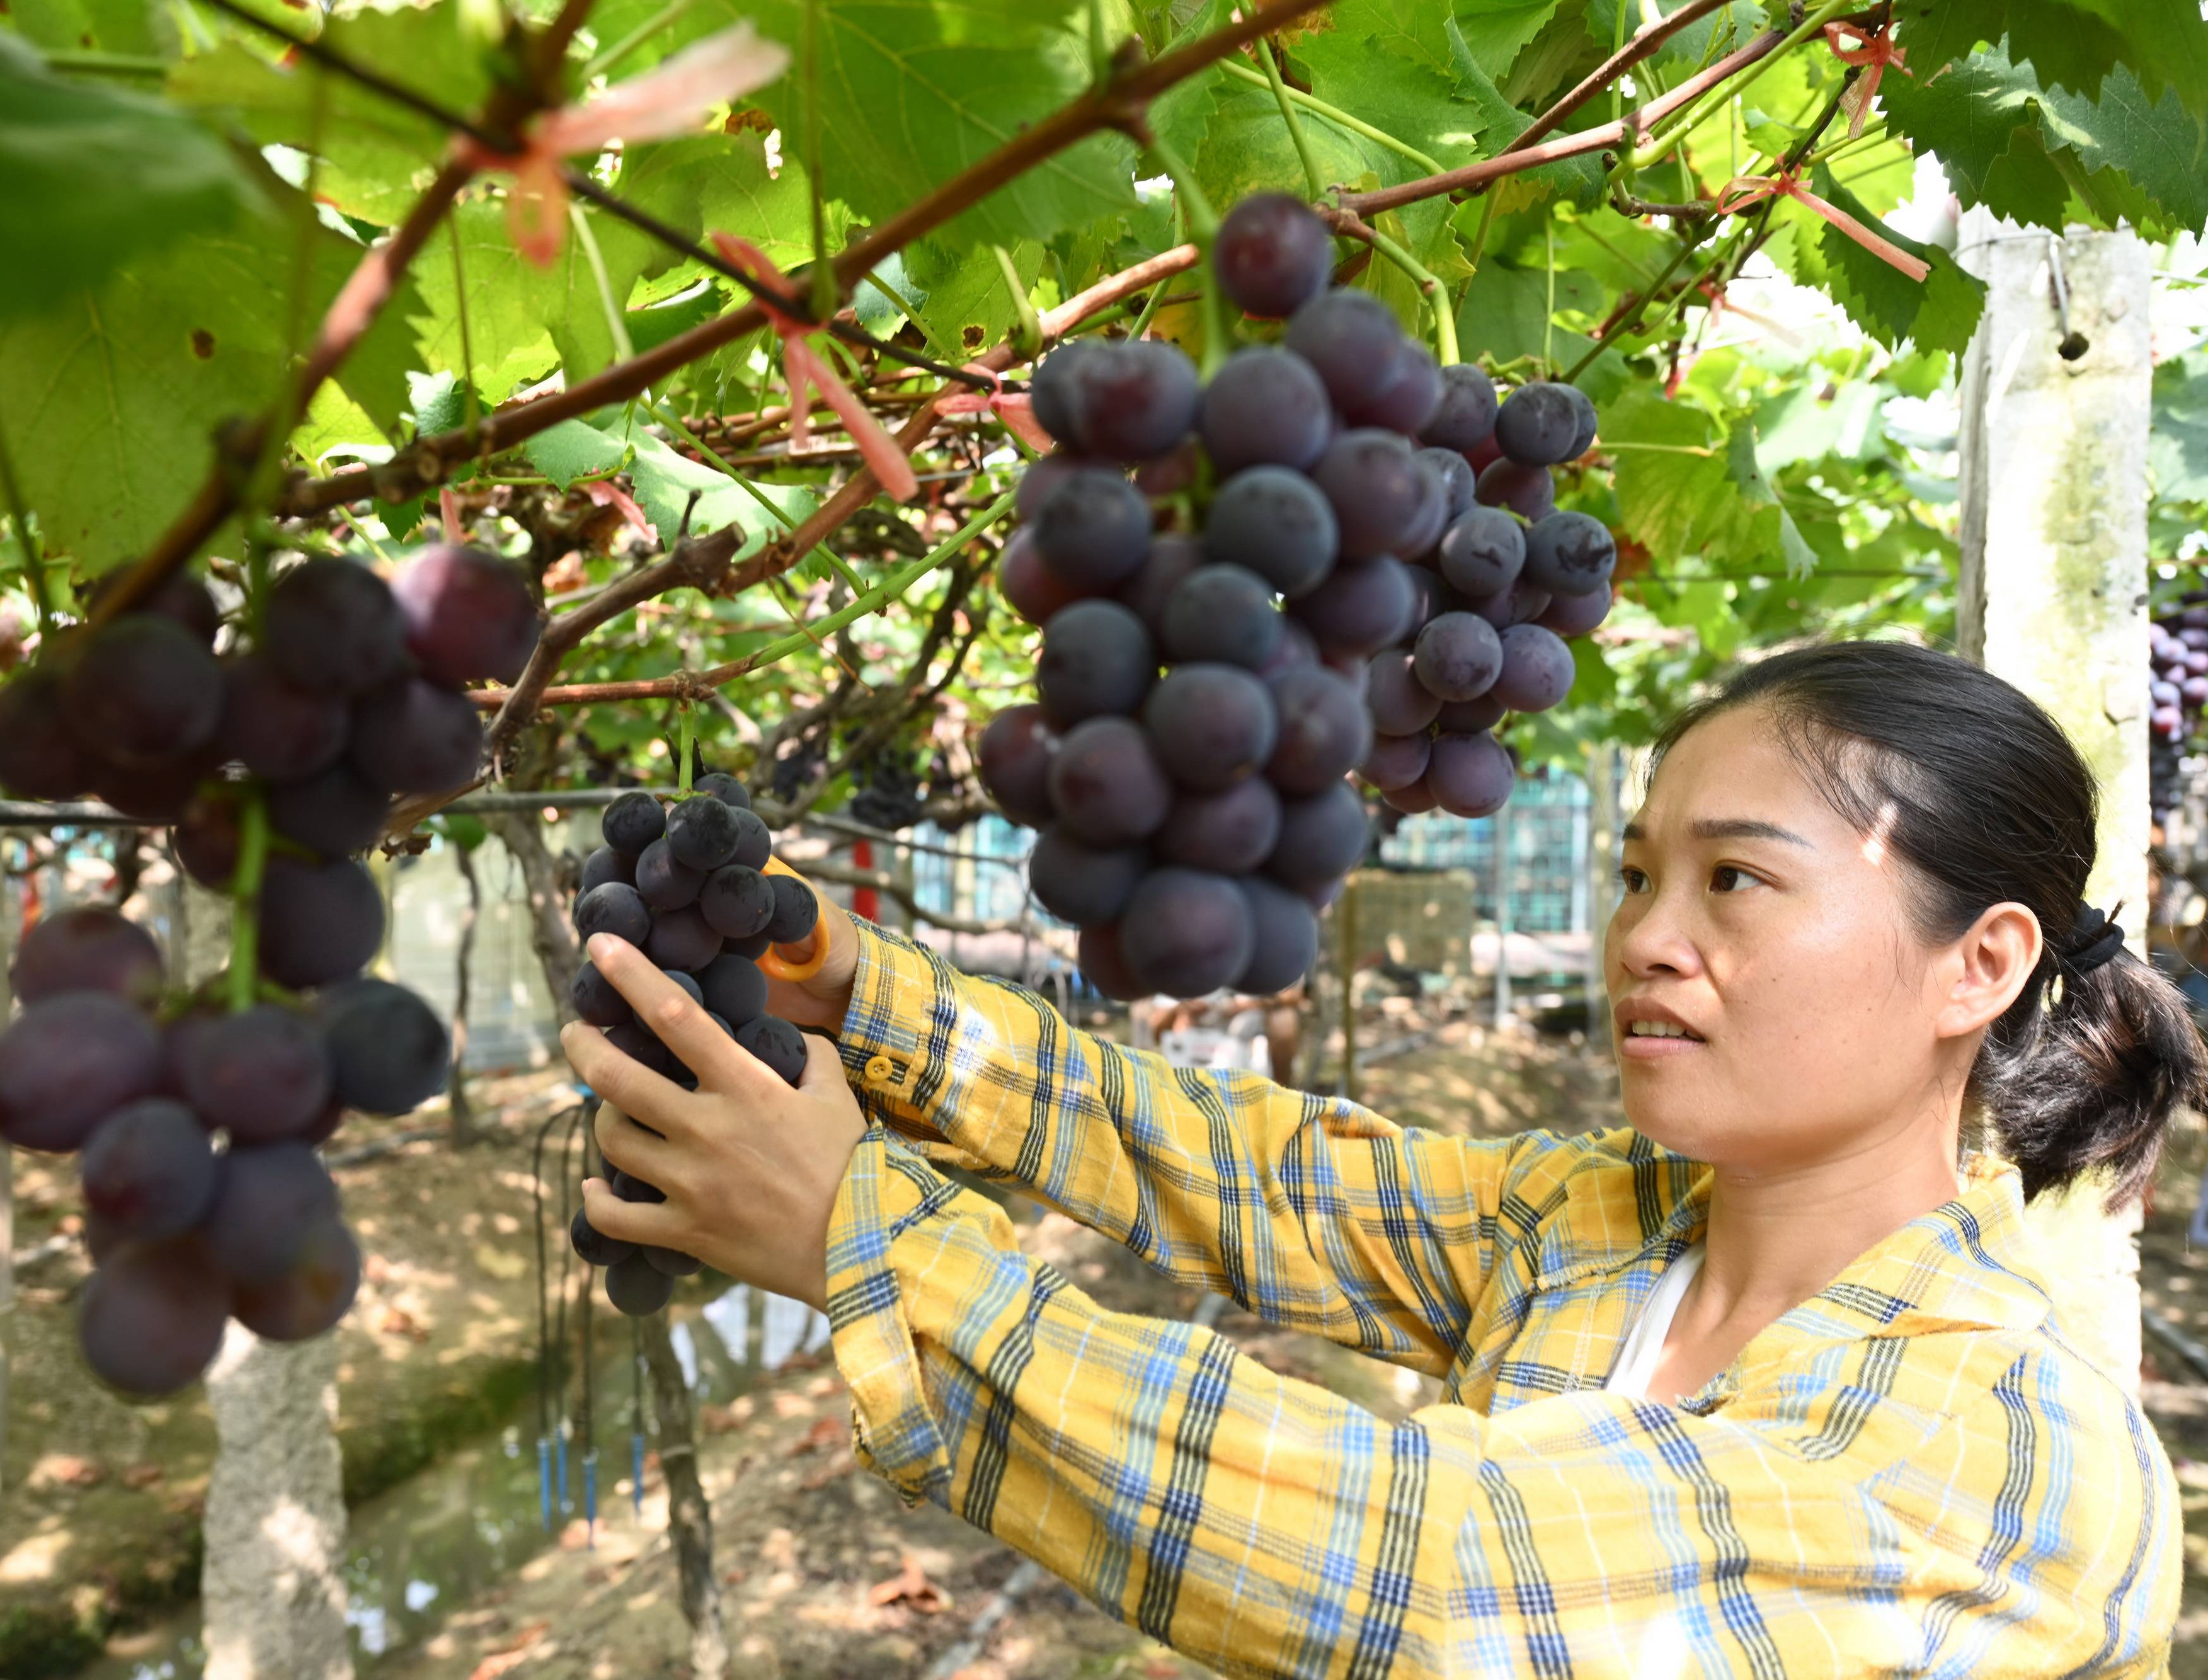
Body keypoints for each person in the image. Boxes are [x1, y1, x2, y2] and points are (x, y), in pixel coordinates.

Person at [564, 641, 2198, 1677]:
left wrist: (868, 1235)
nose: (1645, 938)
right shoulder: (1605, 1229)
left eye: (1736, 882)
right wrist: (870, 994)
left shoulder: (2010, 1454)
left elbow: (1445, 1574)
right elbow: (1259, 1171)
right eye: (1639, 875)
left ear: (1977, 964)